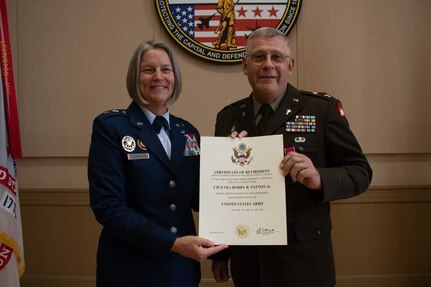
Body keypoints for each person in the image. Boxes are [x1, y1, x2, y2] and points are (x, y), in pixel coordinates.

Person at [211, 27, 372, 287]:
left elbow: (361, 172)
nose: (268, 65)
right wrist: (221, 253)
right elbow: (222, 195)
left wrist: (320, 178)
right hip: (250, 261)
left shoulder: (322, 110)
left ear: (290, 65)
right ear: (244, 65)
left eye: (277, 57)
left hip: (304, 260)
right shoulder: (228, 117)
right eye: (258, 57)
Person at [88, 40, 227, 287]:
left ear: (175, 78)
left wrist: (234, 163)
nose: (158, 77)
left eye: (166, 69)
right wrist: (171, 243)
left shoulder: (188, 133)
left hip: (181, 269)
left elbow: (199, 198)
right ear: (135, 76)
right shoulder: (111, 127)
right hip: (130, 268)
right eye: (148, 70)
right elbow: (108, 206)